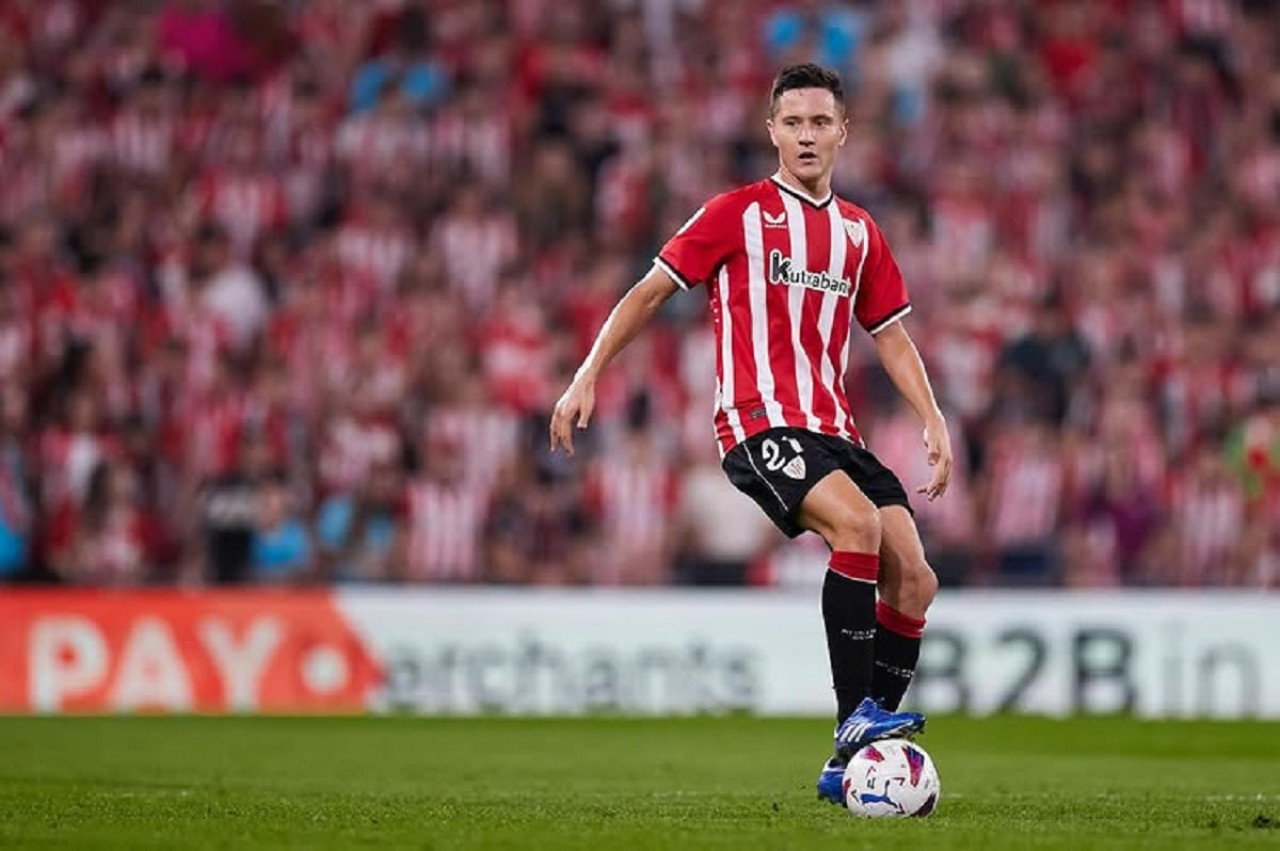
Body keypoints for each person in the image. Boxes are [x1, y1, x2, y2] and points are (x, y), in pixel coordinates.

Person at [549, 63, 952, 805]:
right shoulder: (736, 213)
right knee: (858, 526)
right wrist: (587, 373)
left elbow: (891, 336)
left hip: (839, 432)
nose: (806, 135)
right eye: (792, 122)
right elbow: (647, 292)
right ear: (771, 130)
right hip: (758, 421)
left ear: (843, 132)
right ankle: (862, 722)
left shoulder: (860, 232)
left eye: (820, 122)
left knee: (917, 579)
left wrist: (931, 417)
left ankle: (851, 755)